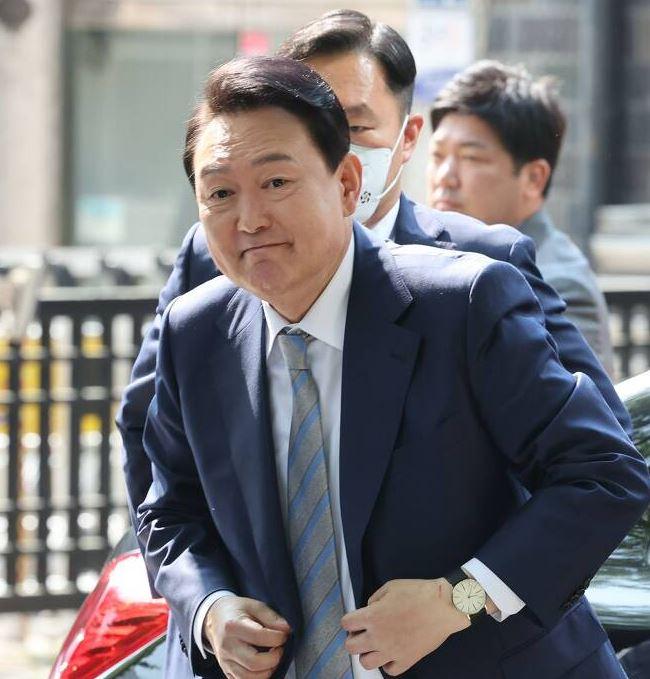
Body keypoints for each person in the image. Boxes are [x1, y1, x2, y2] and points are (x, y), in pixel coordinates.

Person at [117, 10, 632, 676]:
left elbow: (604, 469)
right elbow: (167, 503)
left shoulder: (465, 300)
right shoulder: (197, 330)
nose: (249, 218)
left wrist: (458, 597)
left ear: (347, 184)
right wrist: (210, 607)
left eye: (276, 182)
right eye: (219, 192)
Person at [427, 60, 615, 375]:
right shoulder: (429, 256)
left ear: (533, 178)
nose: (445, 176)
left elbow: (573, 403)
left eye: (471, 157)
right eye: (437, 155)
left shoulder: (557, 285)